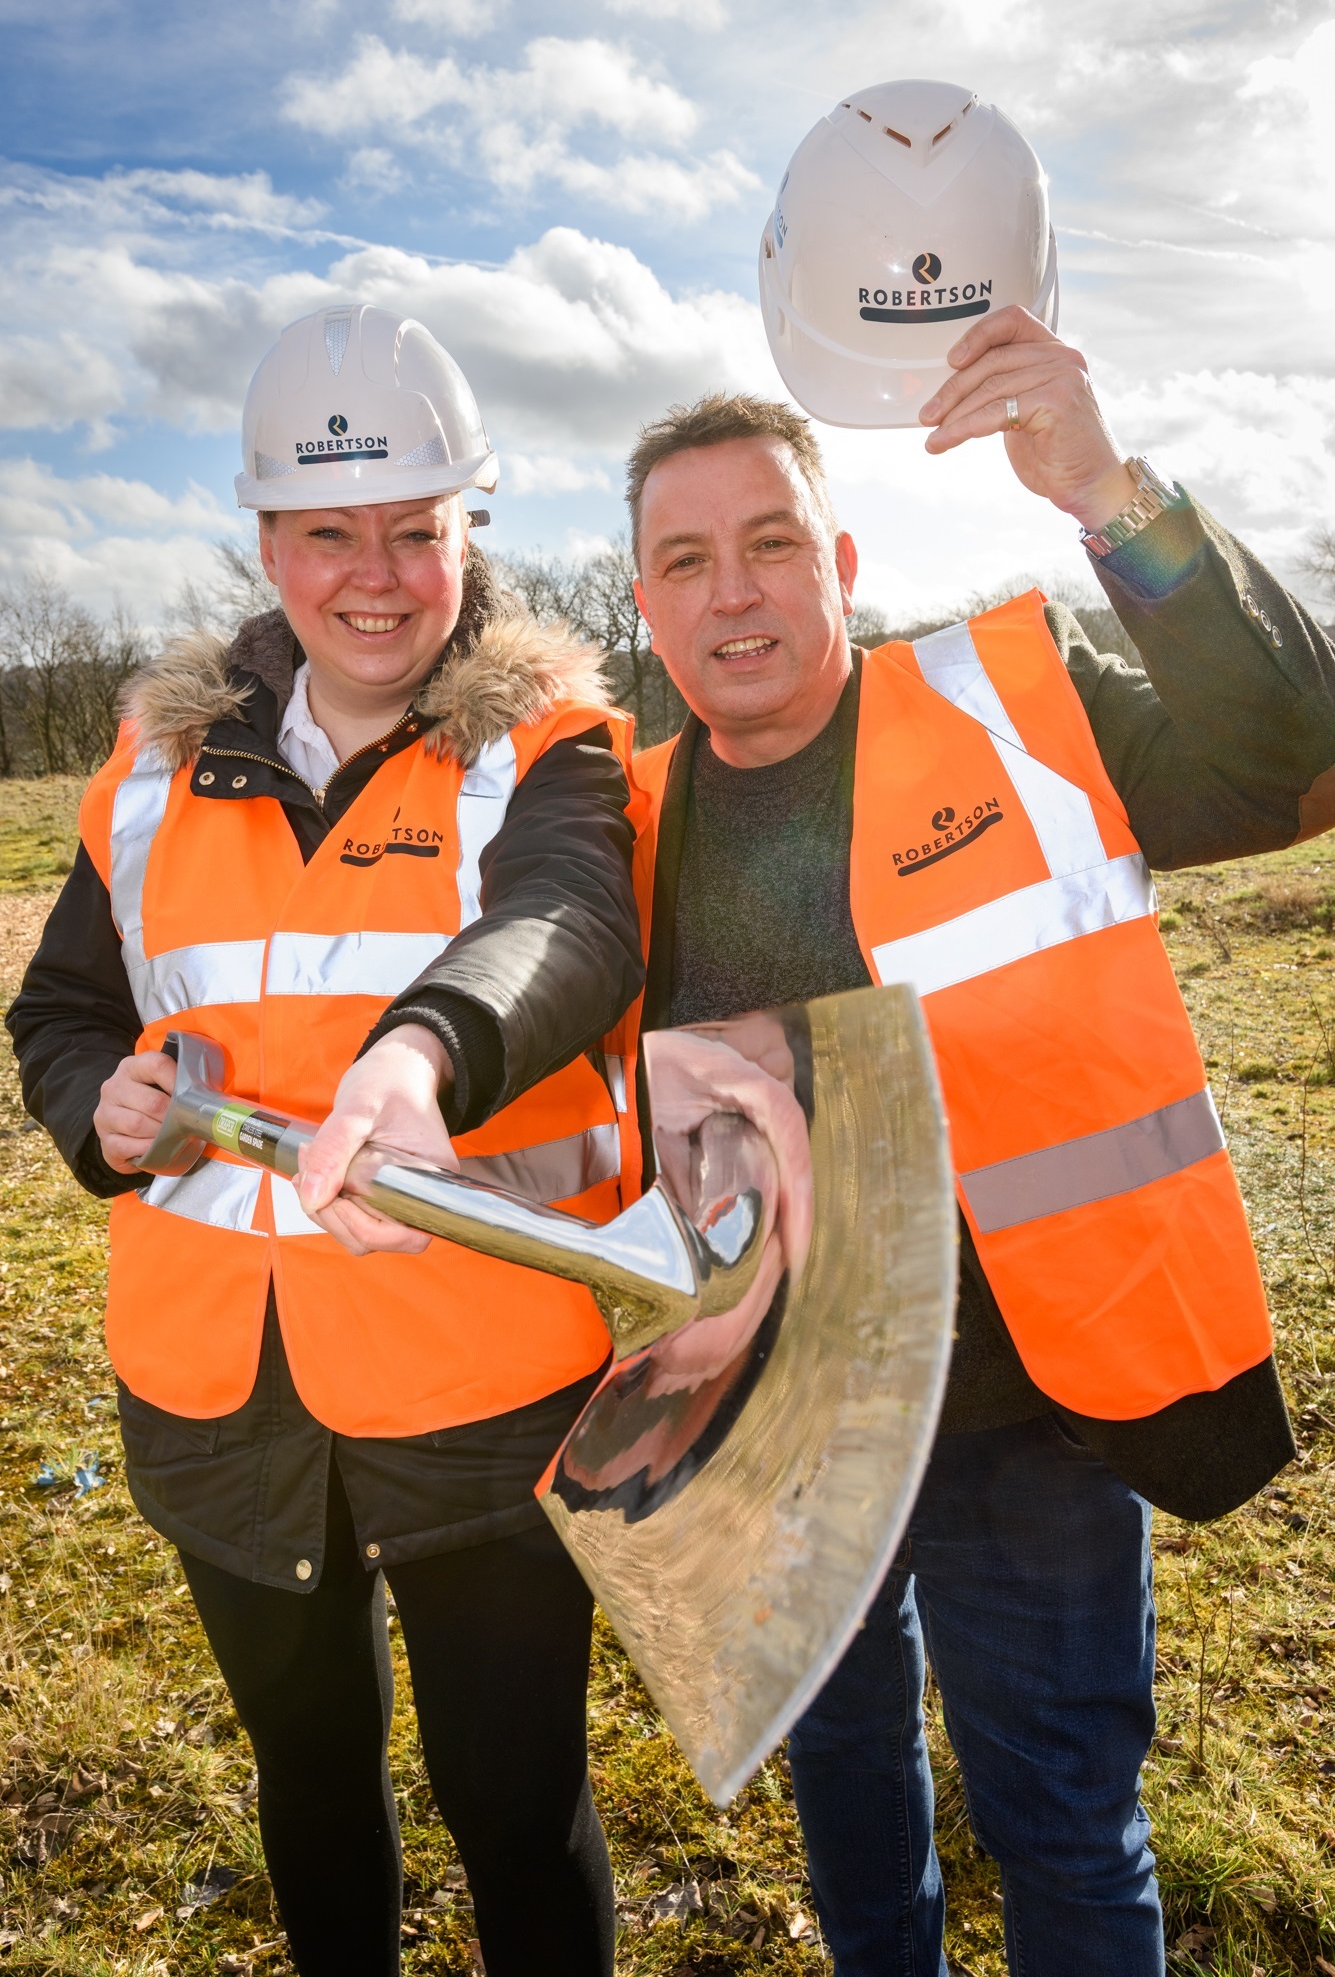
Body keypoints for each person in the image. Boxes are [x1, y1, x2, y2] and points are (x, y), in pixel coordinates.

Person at [348, 305, 1335, 1976]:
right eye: (686, 561)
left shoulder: (1020, 704)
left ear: (841, 558)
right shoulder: (628, 825)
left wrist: (1103, 488)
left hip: (1038, 1406)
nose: (733, 591)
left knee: (1064, 1827)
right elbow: (583, 1103)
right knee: (849, 1802)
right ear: (642, 604)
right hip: (772, 1406)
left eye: (771, 542)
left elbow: (1294, 755)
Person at [6, 302, 646, 1977]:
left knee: (515, 1802)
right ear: (267, 540)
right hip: (220, 1388)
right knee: (309, 1778)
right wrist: (103, 1109)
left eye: (417, 532)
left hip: (477, 1383)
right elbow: (63, 1015)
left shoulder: (546, 746)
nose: (377, 576)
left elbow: (572, 925)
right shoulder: (150, 767)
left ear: (468, 532)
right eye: (328, 533)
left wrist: (429, 1050)